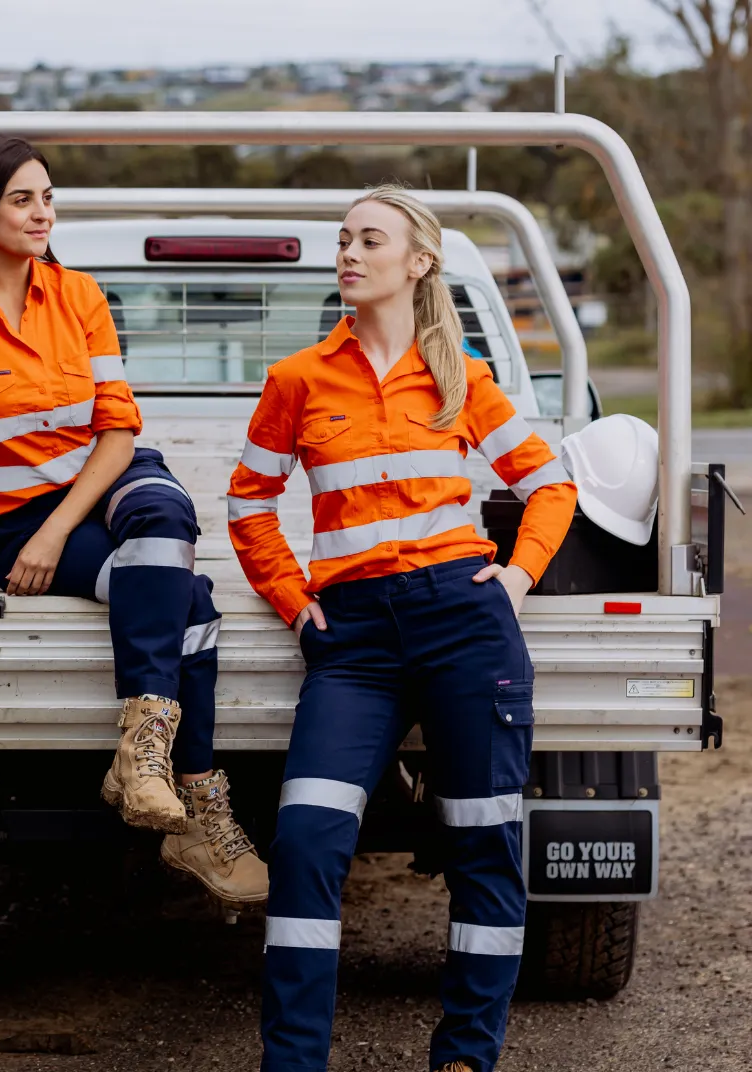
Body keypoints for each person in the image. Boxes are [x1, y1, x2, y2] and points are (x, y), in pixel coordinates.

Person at [227, 185, 577, 1072]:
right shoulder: (298, 380)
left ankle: (466, 1054)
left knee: (482, 841)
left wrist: (518, 576)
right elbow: (248, 502)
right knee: (306, 839)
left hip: (465, 623)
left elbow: (550, 485)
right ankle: (294, 1061)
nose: (347, 252)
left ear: (418, 263)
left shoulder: (462, 375)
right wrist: (290, 596)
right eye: (342, 239)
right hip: (354, 644)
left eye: (368, 239)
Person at [0, 135, 267, 909]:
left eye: (47, 197)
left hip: (103, 482)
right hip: (14, 518)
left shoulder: (79, 294)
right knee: (190, 601)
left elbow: (118, 432)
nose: (42, 214)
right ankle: (197, 806)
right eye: (22, 199)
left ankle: (139, 761)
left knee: (167, 510)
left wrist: (58, 531)